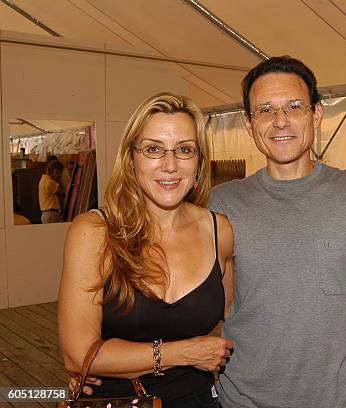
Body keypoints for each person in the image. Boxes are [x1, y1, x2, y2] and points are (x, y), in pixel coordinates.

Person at [207, 56, 346, 407]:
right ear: (249, 124)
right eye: (265, 110)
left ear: (316, 114)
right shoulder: (223, 203)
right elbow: (218, 304)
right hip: (244, 398)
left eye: (294, 107)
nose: (280, 121)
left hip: (340, 399)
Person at [58, 92, 235, 407]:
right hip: (120, 402)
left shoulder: (218, 230)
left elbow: (242, 318)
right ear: (131, 159)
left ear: (199, 163)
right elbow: (78, 355)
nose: (170, 165)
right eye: (153, 149)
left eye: (184, 150)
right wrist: (184, 352)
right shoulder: (95, 232)